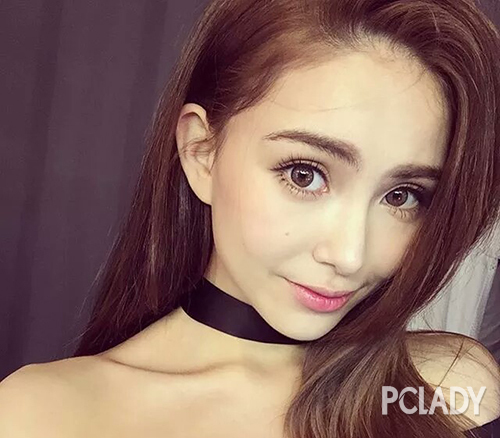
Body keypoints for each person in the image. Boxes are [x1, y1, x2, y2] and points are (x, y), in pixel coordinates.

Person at [1, 0, 499, 436]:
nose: (350, 255)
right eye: (305, 174)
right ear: (202, 152)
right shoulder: (42, 413)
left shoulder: (447, 386)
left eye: (402, 196)